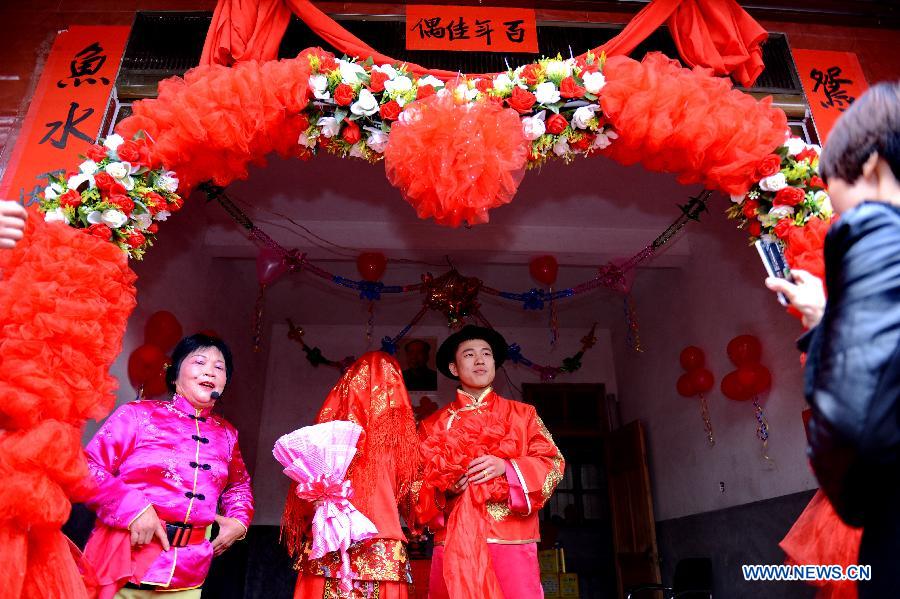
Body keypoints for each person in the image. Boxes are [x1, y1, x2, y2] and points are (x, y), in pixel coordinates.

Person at [766, 81, 900, 598]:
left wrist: (854, 499)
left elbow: (854, 413)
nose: (835, 210)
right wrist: (827, 320)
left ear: (869, 168)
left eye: (832, 190)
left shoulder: (875, 227)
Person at [82, 333, 254, 598]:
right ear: (174, 375)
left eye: (219, 367)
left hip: (187, 575)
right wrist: (133, 509)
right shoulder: (137, 415)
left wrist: (239, 521)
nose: (210, 370)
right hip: (124, 565)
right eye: (199, 361)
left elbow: (239, 486)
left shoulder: (228, 435)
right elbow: (88, 468)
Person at [417, 325, 565, 598]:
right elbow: (414, 487)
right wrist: (446, 486)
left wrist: (508, 468)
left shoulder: (524, 415)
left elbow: (553, 463)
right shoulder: (432, 426)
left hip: (511, 537)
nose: (480, 360)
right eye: (469, 354)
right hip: (454, 543)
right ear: (453, 368)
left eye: (486, 354)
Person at [282, 351, 420, 599]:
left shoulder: (327, 441)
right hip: (381, 548)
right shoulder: (403, 446)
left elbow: (302, 506)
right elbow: (414, 504)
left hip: (332, 547)